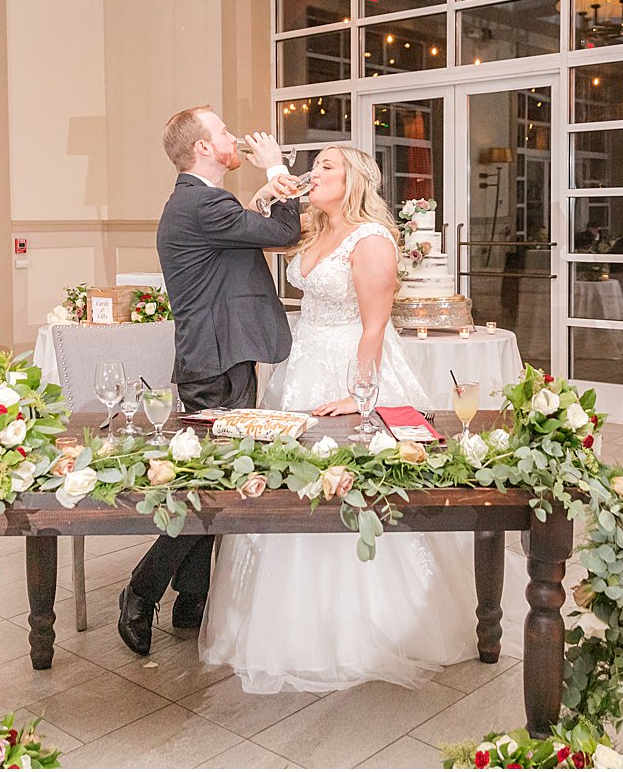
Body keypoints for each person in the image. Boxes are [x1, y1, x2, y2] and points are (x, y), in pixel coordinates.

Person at [200, 145, 477, 693]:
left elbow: (374, 325)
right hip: (301, 367)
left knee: (353, 485)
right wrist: (269, 189)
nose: (314, 173)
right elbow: (260, 228)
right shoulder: (310, 229)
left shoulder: (371, 239)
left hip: (353, 369)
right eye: (315, 165)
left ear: (355, 179)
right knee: (291, 485)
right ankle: (287, 621)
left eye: (327, 166)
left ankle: (371, 627)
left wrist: (361, 394)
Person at [117, 106, 301, 655]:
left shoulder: (203, 203)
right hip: (214, 362)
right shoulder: (202, 202)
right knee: (211, 492)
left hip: (222, 357)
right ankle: (142, 591)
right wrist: (275, 168)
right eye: (222, 132)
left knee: (213, 485)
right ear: (201, 148)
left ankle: (191, 599)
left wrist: (261, 196)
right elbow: (285, 233)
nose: (234, 137)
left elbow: (245, 238)